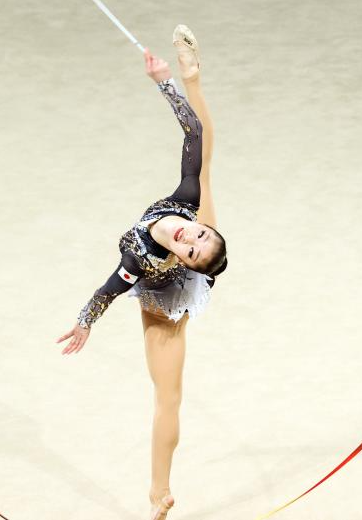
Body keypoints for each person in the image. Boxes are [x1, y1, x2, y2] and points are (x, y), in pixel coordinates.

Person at [56, 25, 227, 519]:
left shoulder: (140, 258)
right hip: (179, 251)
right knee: (205, 165)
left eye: (194, 246)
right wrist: (168, 81)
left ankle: (158, 493)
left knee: (167, 396)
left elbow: (109, 290)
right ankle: (196, 74)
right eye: (200, 235)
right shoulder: (188, 204)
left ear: (187, 261)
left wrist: (84, 323)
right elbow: (193, 134)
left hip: (163, 304)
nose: (191, 236)